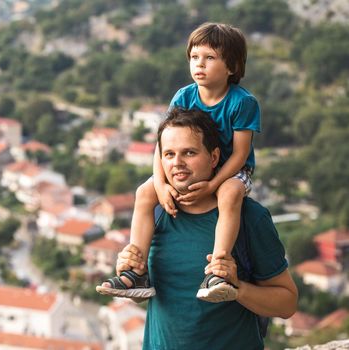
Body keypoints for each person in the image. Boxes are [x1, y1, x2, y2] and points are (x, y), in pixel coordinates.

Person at [97, 22, 260, 302]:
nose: (200, 64)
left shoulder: (242, 102)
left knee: (231, 193)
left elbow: (240, 155)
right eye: (195, 57)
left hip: (231, 170)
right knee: (144, 192)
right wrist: (160, 184)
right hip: (191, 164)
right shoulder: (184, 97)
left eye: (210, 58)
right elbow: (164, 146)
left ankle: (218, 269)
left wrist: (212, 185)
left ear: (232, 66)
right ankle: (136, 269)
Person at [118, 107, 297, 349]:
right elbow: (164, 297)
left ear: (214, 157)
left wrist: (238, 289)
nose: (177, 163)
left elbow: (287, 304)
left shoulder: (249, 218)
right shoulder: (154, 212)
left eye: (189, 153)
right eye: (169, 154)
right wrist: (130, 268)